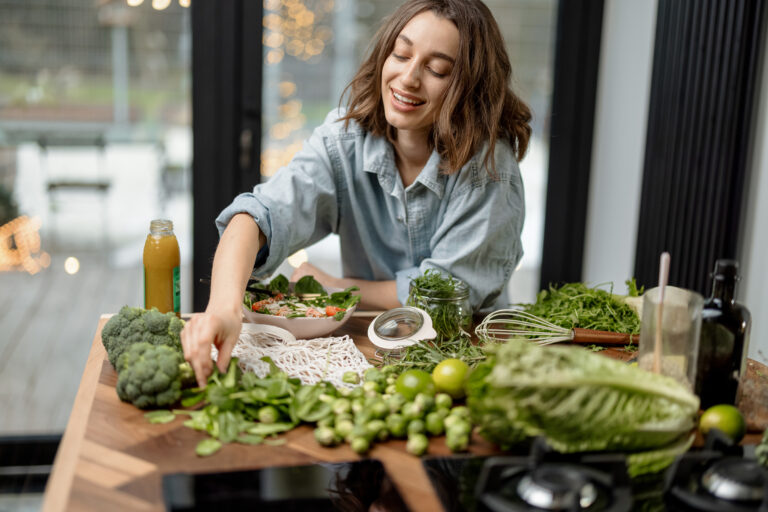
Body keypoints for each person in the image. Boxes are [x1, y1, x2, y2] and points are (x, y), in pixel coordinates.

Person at [181, 0, 531, 387]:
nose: (408, 78)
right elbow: (256, 217)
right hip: (370, 349)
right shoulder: (344, 140)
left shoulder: (489, 170)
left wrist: (339, 287)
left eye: (437, 69)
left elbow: (445, 297)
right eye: (401, 54)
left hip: (469, 358)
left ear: (470, 87)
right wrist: (223, 309)